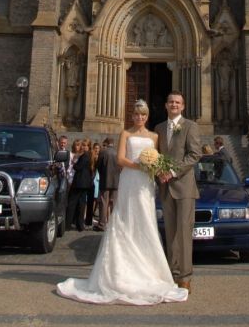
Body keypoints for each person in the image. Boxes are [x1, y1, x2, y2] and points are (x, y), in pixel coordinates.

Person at [57, 99, 187, 305]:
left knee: (145, 221)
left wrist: (158, 168)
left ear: (147, 117)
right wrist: (141, 166)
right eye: (136, 114)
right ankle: (120, 272)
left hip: (145, 184)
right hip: (130, 179)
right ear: (132, 115)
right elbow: (120, 160)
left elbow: (158, 159)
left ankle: (148, 270)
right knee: (125, 218)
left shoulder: (154, 136)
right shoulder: (125, 133)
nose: (140, 117)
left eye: (143, 115)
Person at [156, 90, 201, 293]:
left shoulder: (190, 126)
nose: (174, 104)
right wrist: (158, 171)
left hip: (184, 187)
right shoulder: (159, 128)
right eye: (171, 102)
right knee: (171, 233)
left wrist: (172, 172)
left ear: (183, 106)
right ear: (166, 105)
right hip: (166, 187)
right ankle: (172, 274)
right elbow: (157, 155)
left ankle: (185, 277)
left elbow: (194, 155)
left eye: (177, 102)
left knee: (184, 233)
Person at [66, 139, 93, 231]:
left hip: (79, 183)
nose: (83, 147)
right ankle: (79, 225)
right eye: (83, 145)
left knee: (72, 203)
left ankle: (68, 224)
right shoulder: (88, 155)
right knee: (81, 204)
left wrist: (74, 163)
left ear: (88, 147)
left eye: (85, 145)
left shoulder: (85, 156)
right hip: (85, 183)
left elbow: (77, 167)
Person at [95, 137, 120, 231]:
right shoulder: (117, 153)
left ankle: (102, 224)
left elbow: (98, 166)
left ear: (106, 143)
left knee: (103, 203)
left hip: (105, 181)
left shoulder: (103, 152)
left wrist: (102, 174)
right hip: (116, 181)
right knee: (114, 203)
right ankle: (114, 223)